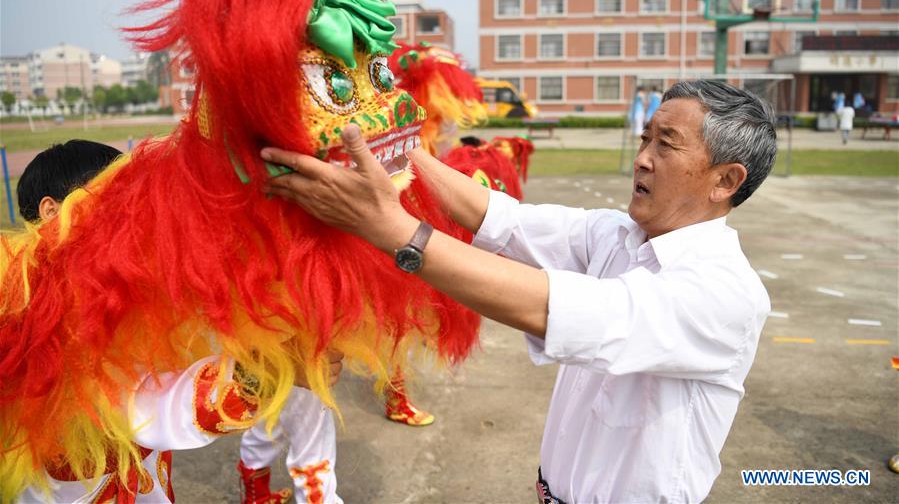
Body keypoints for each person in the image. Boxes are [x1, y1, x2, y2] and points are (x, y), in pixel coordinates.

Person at [262, 79, 777, 502]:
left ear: (725, 181)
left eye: (666, 144)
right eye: (645, 139)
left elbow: (551, 306)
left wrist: (392, 229)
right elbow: (499, 218)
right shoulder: (618, 234)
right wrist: (390, 142)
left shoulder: (723, 293)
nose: (643, 158)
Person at [12, 140, 345, 504]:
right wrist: (266, 375)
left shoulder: (107, 290)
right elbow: (145, 404)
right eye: (112, 200)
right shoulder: (46, 316)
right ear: (51, 210)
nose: (130, 217)